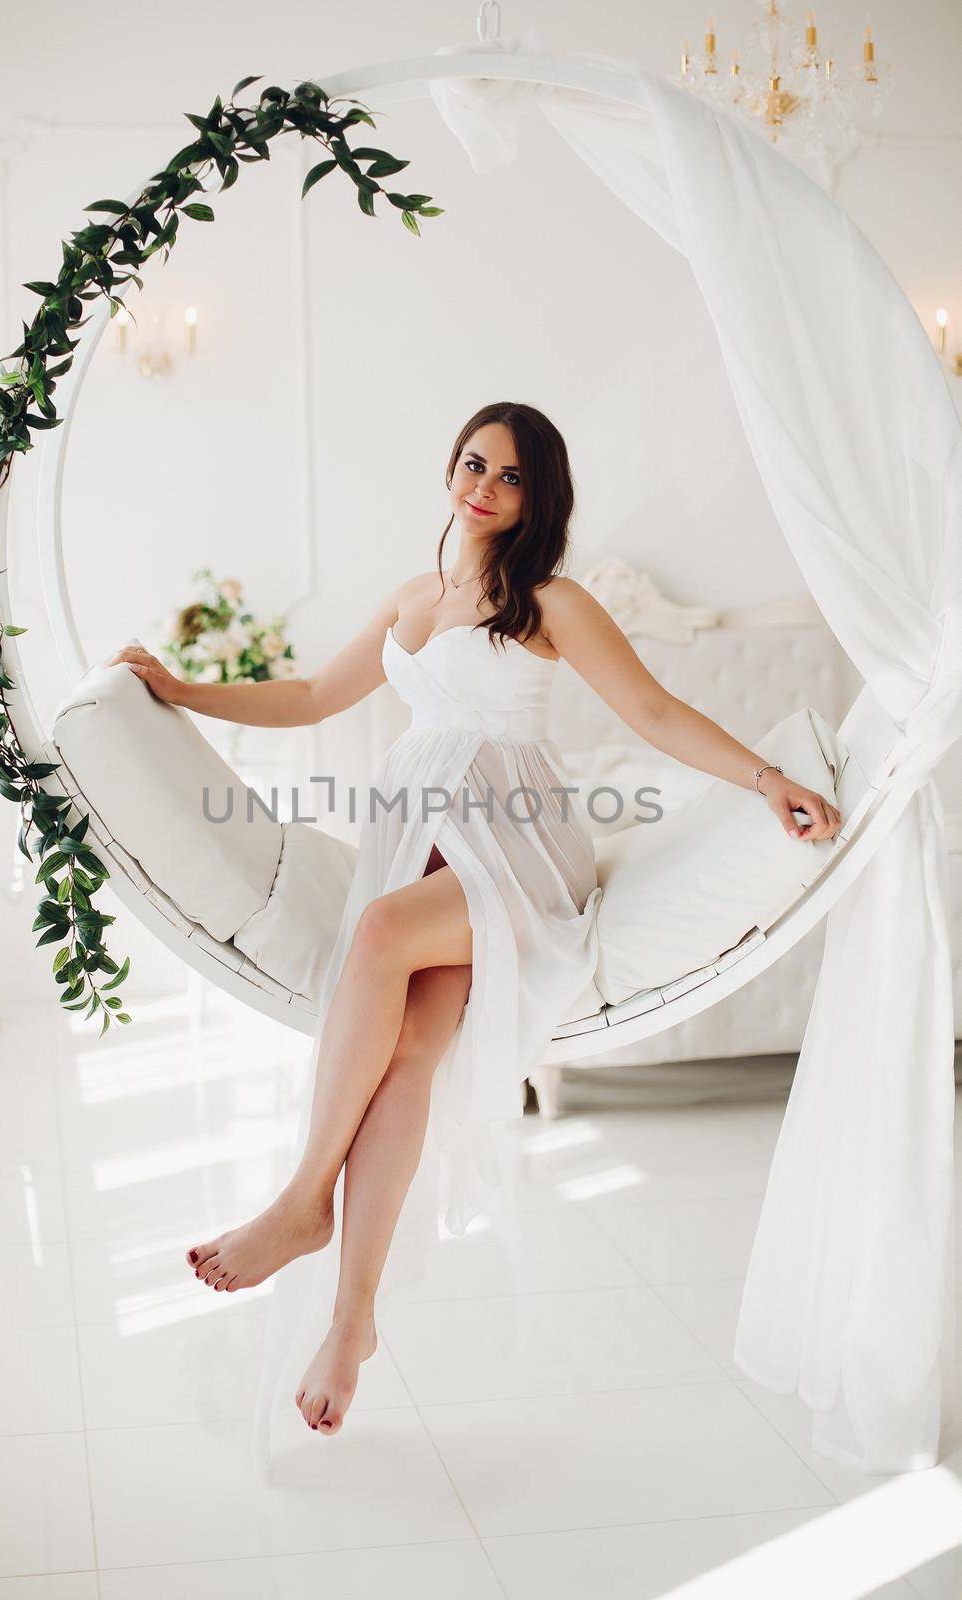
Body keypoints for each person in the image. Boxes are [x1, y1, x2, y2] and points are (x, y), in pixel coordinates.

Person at [107, 400, 842, 1445]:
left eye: (507, 477)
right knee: (406, 1046)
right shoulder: (415, 596)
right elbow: (315, 693)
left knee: (374, 938)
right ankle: (351, 1323)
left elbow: (654, 714)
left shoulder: (545, 599)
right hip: (422, 836)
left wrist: (765, 777)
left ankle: (303, 1196)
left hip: (514, 839)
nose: (482, 488)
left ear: (536, 499)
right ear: (448, 469)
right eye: (471, 464)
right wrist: (182, 690)